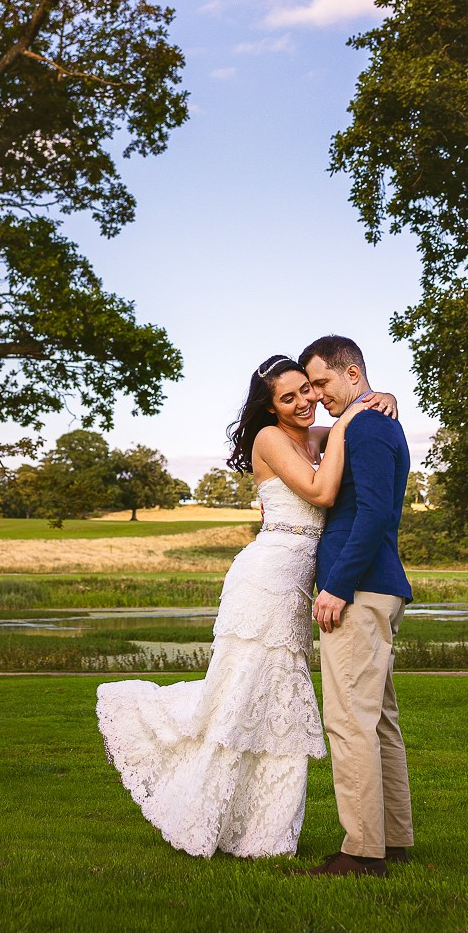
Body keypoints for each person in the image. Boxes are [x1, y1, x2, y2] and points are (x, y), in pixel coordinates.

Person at [95, 355, 397, 858]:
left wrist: (382, 398)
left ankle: (263, 834)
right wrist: (349, 417)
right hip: (267, 578)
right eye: (289, 397)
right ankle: (198, 810)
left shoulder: (317, 434)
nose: (305, 402)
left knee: (277, 706)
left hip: (299, 582)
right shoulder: (271, 440)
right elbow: (323, 492)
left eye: (307, 390)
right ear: (270, 407)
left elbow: (354, 418)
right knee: (238, 699)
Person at [296, 335, 414, 878]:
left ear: (351, 373)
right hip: (382, 587)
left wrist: (337, 585)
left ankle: (362, 851)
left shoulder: (366, 425)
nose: (317, 395)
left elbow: (372, 514)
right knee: (380, 719)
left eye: (322, 382)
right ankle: (393, 839)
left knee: (348, 722)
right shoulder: (379, 420)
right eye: (310, 385)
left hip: (360, 588)